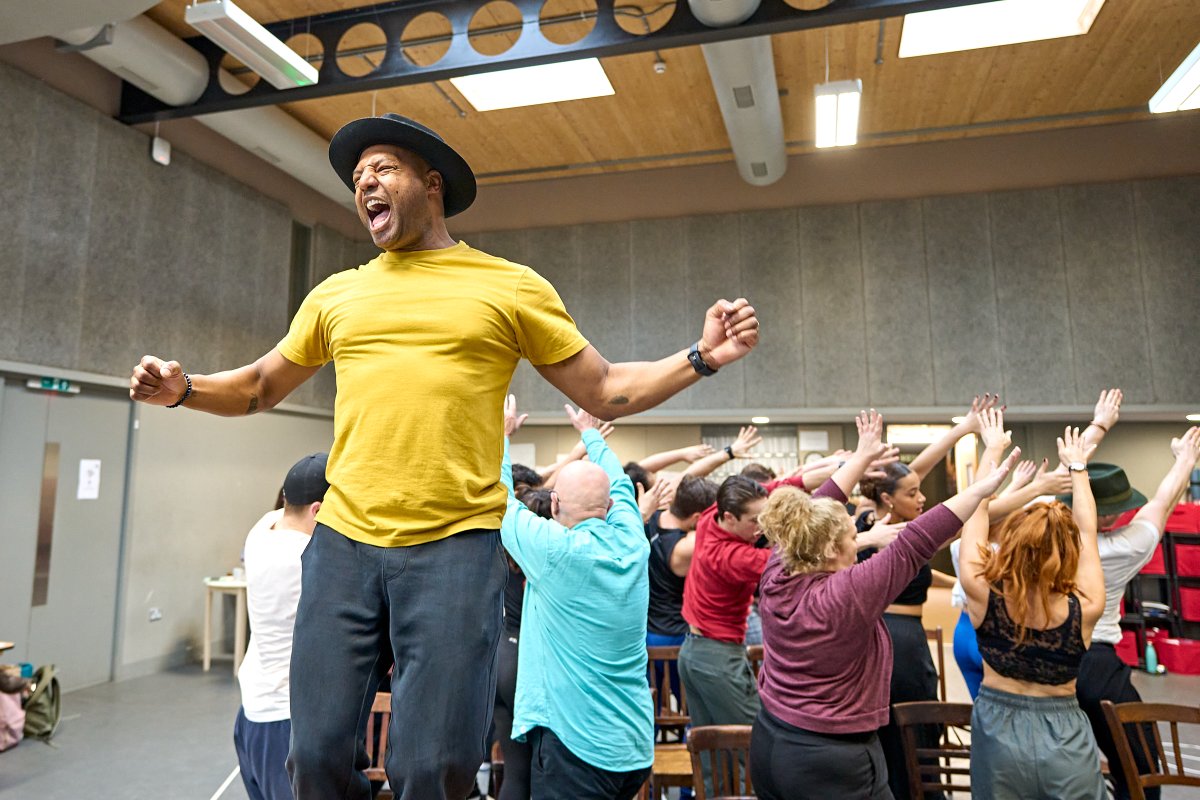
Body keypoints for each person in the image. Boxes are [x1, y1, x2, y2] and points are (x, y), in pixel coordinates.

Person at [127, 112, 760, 800]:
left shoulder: (507, 286)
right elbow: (258, 385)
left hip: (454, 546)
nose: (365, 181)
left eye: (382, 169)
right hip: (344, 541)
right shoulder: (337, 294)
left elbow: (604, 386)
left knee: (434, 769)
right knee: (311, 758)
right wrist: (184, 390)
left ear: (431, 186)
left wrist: (700, 358)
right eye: (358, 176)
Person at [750, 410, 1016, 800]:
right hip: (828, 759)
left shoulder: (780, 567)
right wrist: (983, 485)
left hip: (771, 739)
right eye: (851, 538)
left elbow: (816, 507)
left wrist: (862, 456)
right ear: (831, 549)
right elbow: (919, 540)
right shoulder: (845, 594)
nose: (858, 541)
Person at [500, 398, 653, 799]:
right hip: (633, 747)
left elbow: (499, 499)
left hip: (576, 748)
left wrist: (500, 437)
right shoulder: (633, 542)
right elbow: (618, 482)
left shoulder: (555, 551)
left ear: (554, 505)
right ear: (613, 509)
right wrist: (590, 435)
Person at [855, 394, 999, 800]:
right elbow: (969, 510)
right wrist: (1027, 484)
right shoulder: (877, 525)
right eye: (912, 492)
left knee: (905, 727)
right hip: (896, 637)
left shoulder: (888, 516)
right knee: (910, 725)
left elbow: (913, 473)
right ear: (886, 497)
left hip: (902, 632)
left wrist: (964, 428)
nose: (920, 497)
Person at [958, 412, 1107, 800]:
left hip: (997, 732)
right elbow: (1088, 531)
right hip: (1065, 734)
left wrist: (990, 451)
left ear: (1010, 545)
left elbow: (974, 512)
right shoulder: (1086, 607)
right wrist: (1078, 467)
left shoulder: (981, 592)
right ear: (1068, 552)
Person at [1067, 422, 1200, 800]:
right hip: (1097, 666)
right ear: (1112, 514)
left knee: (1074, 763)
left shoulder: (1051, 542)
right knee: (1140, 764)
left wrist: (1083, 450)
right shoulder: (1126, 547)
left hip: (1049, 664)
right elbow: (1162, 503)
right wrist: (1184, 461)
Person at [234, 453, 329, 800]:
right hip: (283, 722)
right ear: (317, 510)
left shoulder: (260, 530)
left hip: (251, 715)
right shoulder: (306, 558)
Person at [493, 486, 551, 800]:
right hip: (525, 665)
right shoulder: (543, 564)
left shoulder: (503, 553)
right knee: (541, 773)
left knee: (516, 773)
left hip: (501, 658)